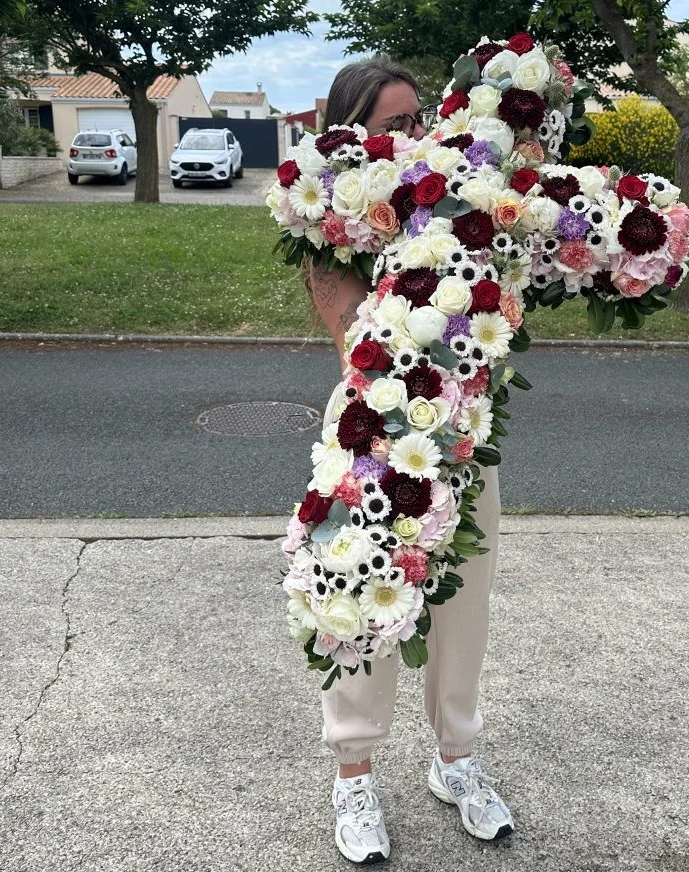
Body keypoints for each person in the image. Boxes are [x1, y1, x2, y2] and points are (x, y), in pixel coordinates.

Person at [307, 58, 514, 864]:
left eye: (418, 119)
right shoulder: (337, 215)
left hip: (464, 431)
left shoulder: (459, 194)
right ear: (355, 132)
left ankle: (455, 760)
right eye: (393, 125)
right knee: (360, 597)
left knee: (467, 600)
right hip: (377, 433)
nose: (413, 137)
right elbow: (350, 338)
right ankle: (352, 775)